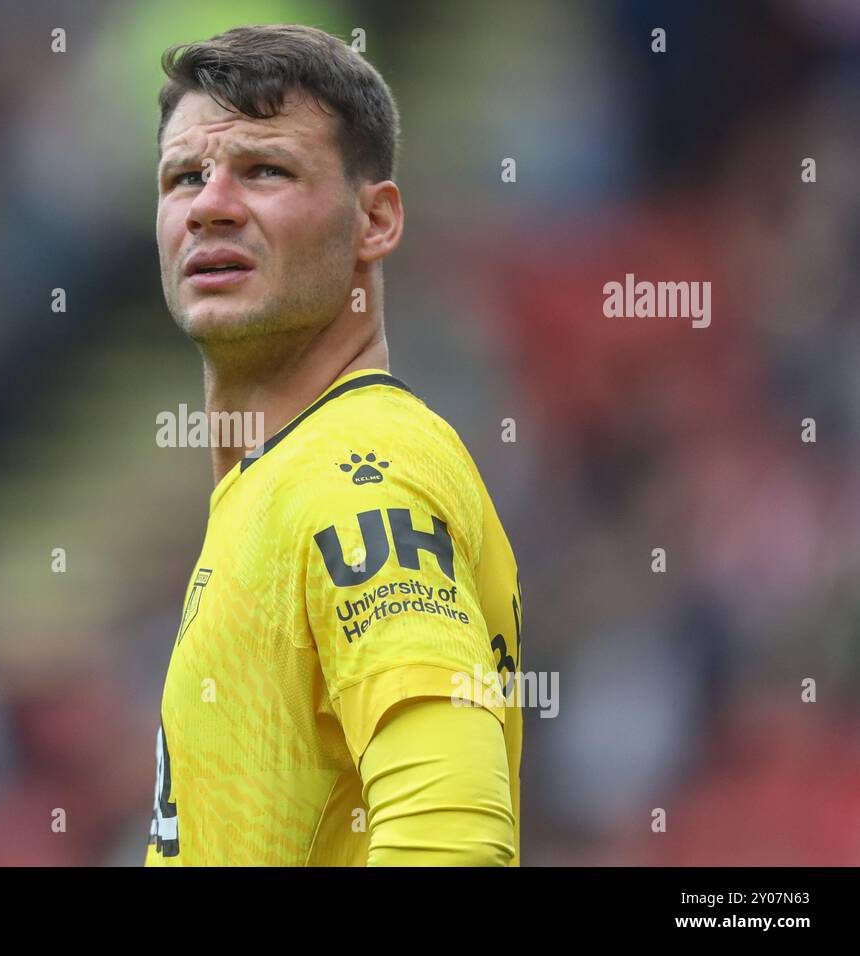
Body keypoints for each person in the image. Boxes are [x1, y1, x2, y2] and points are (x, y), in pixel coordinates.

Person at [146, 24, 523, 866]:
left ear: (375, 221)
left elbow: (450, 838)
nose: (209, 203)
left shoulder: (359, 472)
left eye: (265, 170)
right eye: (184, 178)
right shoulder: (276, 480)